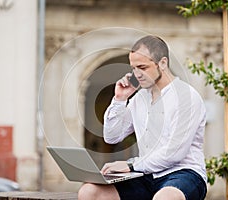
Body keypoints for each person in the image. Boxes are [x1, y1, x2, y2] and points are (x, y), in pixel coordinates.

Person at [78, 35, 207, 200]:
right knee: (89, 192)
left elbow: (174, 153)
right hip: (146, 175)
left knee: (164, 198)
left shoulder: (186, 96)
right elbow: (112, 136)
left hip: (183, 173)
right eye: (133, 68)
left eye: (142, 67)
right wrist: (119, 99)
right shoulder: (140, 98)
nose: (136, 74)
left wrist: (131, 165)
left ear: (163, 63)